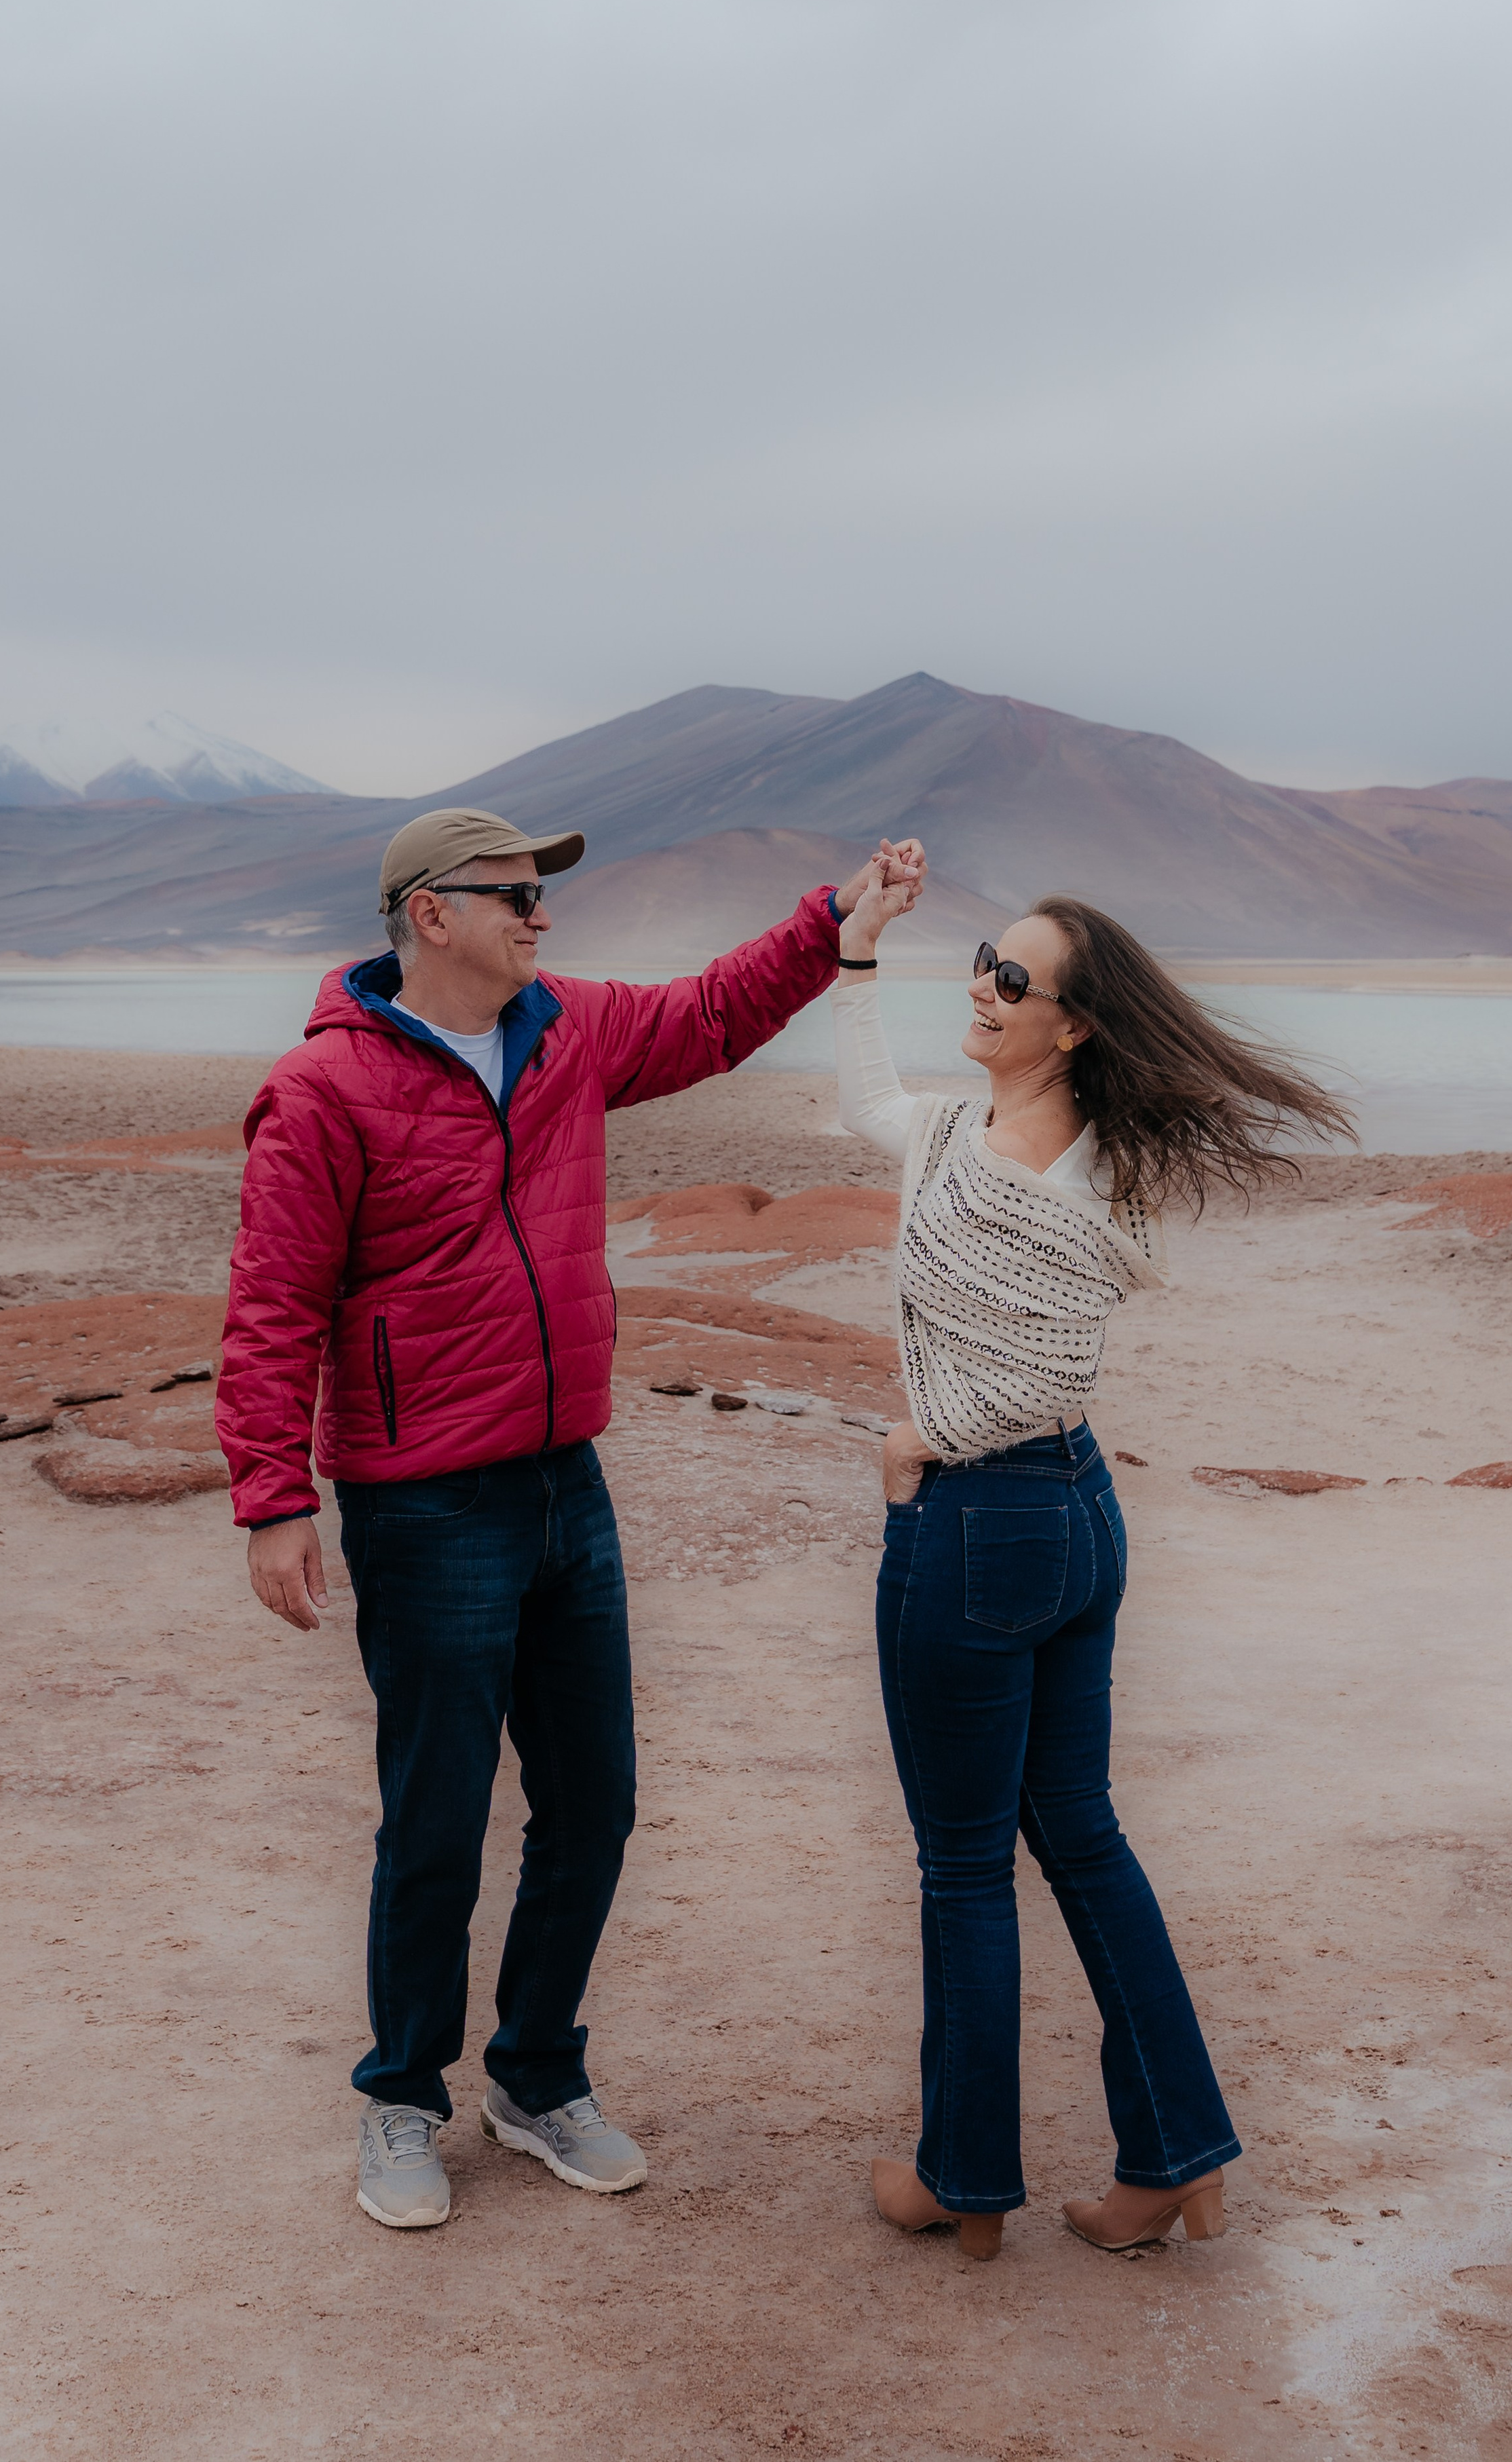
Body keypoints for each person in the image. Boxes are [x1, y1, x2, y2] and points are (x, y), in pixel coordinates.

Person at [216, 804, 926, 2231]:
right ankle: (402, 2097)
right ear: (430, 914)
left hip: (563, 1483)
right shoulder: (324, 1089)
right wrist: (273, 1497)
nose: (540, 916)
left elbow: (711, 1014)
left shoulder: (565, 1031)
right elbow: (274, 1301)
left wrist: (831, 925)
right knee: (434, 1820)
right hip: (423, 1503)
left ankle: (536, 2075)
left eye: (542, 895)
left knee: (593, 1803)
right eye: (514, 895)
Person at [832, 868, 1350, 2260]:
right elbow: (874, 1109)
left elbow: (1044, 1367)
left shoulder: (1007, 1170)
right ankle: (1173, 2159)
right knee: (1080, 1833)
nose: (983, 984)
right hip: (1077, 1515)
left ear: (1070, 1026)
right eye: (983, 958)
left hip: (979, 1525)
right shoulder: (1033, 1147)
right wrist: (858, 955)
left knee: (962, 1867)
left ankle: (960, 2180)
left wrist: (919, 1435)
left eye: (1012, 978)